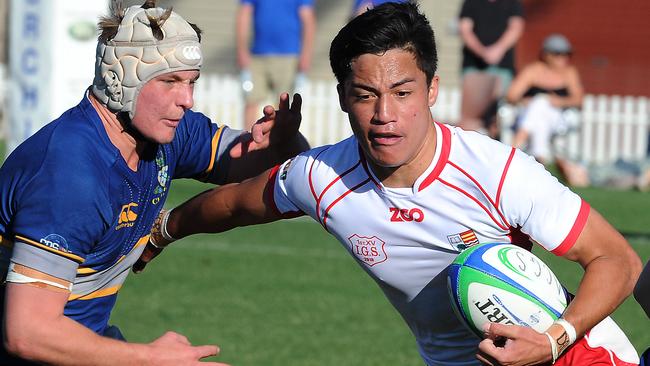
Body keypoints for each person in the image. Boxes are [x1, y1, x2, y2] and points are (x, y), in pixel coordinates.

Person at [137, 2, 642, 365]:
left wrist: (554, 340)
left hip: (579, 356)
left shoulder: (497, 170)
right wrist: (162, 231)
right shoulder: (321, 178)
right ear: (341, 97)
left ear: (432, 90)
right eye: (366, 95)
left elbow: (617, 259)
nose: (385, 115)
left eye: (403, 92)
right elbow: (233, 205)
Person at [0, 1, 308, 365]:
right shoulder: (71, 172)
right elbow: (27, 332)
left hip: (80, 345)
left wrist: (285, 140)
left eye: (192, 81)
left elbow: (270, 164)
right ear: (121, 78)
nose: (187, 99)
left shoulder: (166, 132)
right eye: (170, 82)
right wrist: (150, 358)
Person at [236, 0, 316, 130]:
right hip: (257, 55)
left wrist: (306, 54)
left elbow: (308, 21)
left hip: (288, 56)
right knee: (251, 100)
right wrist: (242, 50)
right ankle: (248, 140)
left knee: (283, 104)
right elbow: (244, 15)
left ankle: (279, 142)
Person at [507, 34, 584, 166]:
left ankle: (514, 148)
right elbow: (512, 95)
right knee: (540, 109)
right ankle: (540, 160)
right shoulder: (533, 71)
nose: (563, 58)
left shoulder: (569, 73)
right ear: (546, 54)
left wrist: (558, 101)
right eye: (558, 54)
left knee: (541, 103)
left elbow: (578, 100)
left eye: (566, 54)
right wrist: (525, 101)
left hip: (557, 118)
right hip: (532, 115)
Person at [458, 0, 525, 139]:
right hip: (474, 67)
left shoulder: (512, 3)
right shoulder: (471, 3)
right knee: (472, 117)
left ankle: (495, 148)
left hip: (502, 67)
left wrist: (498, 50)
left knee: (496, 114)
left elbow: (516, 27)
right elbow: (465, 29)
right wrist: (482, 52)